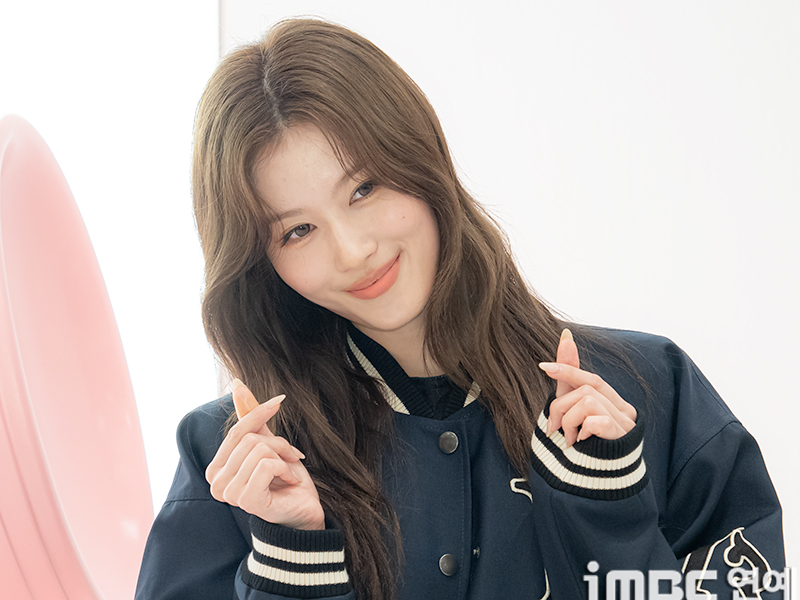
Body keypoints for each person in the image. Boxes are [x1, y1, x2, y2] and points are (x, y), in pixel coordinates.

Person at [134, 18, 785, 600]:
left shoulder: (650, 390)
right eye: (297, 231)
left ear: (422, 158)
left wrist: (608, 517)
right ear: (260, 262)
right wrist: (292, 561)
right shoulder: (236, 465)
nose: (354, 251)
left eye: (364, 188)